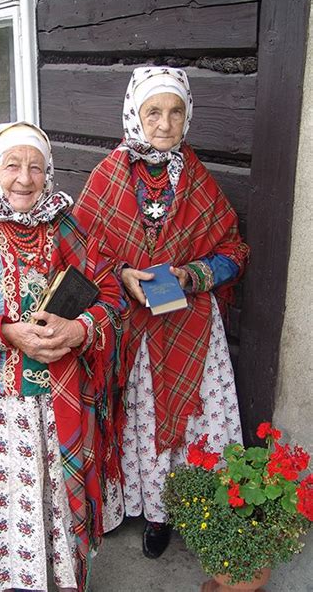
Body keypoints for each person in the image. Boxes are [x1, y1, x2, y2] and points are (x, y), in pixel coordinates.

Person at [0, 122, 126, 592]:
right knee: (2, 506)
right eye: (12, 165)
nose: (25, 178)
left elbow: (111, 295)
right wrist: (5, 332)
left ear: (48, 172)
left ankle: (60, 578)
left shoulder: (69, 226)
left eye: (36, 167)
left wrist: (79, 328)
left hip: (62, 402)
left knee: (58, 504)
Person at [73, 66, 250, 559]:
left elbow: (233, 251)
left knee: (189, 420)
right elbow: (83, 249)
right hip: (130, 330)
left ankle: (178, 512)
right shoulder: (108, 176)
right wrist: (125, 273)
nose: (165, 123)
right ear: (134, 113)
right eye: (154, 111)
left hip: (188, 325)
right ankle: (138, 506)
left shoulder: (195, 178)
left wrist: (192, 275)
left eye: (176, 112)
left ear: (187, 116)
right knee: (136, 417)